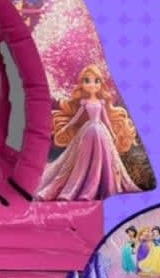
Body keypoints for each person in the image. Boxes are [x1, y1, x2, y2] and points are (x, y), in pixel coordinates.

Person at [37, 64, 140, 201]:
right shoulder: (84, 102)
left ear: (101, 83)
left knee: (105, 156)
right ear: (82, 84)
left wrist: (113, 133)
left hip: (101, 130)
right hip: (88, 130)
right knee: (83, 157)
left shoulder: (101, 102)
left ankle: (103, 183)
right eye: (87, 81)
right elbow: (76, 117)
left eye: (96, 81)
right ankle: (82, 184)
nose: (92, 84)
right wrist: (66, 127)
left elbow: (105, 119)